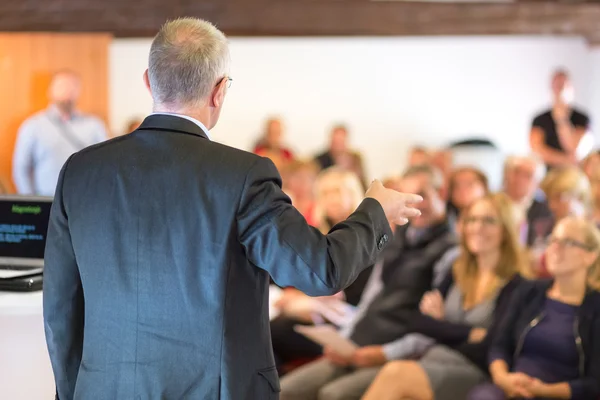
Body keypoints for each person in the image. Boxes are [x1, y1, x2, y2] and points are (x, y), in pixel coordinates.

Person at [42, 18, 422, 400]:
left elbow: (60, 307)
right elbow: (319, 269)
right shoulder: (243, 175)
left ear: (148, 81)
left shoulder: (80, 170)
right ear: (219, 91)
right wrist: (375, 210)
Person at [280, 165, 457, 400]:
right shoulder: (398, 238)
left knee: (333, 394)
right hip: (359, 342)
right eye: (407, 194)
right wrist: (344, 340)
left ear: (442, 192)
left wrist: (384, 353)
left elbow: (435, 324)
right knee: (286, 390)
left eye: (421, 194)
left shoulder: (452, 250)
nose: (413, 202)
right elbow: (371, 298)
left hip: (394, 352)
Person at [361, 193, 525, 400]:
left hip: (473, 370)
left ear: (506, 229)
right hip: (434, 359)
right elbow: (419, 322)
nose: (477, 227)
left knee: (396, 373)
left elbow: (492, 345)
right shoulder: (457, 271)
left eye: (489, 220)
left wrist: (442, 326)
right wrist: (469, 333)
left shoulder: (516, 284)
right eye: (471, 220)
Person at [468, 217, 600, 400]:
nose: (555, 248)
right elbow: (499, 344)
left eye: (568, 242)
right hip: (509, 386)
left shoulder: (595, 307)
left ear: (590, 255)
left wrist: (544, 390)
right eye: (553, 240)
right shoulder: (529, 290)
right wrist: (503, 378)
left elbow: (595, 383)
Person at [271, 168, 373, 374]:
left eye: (337, 191)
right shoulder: (320, 234)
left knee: (273, 332)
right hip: (321, 315)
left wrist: (314, 303)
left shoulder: (365, 237)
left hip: (348, 323)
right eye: (325, 193)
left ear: (352, 194)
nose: (331, 199)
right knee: (265, 330)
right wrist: (297, 295)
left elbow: (355, 295)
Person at [12, 70, 108, 196]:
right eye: (62, 86)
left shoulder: (95, 125)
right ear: (50, 90)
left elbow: (106, 165)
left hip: (85, 202)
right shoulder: (32, 126)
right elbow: (21, 168)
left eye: (73, 86)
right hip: (46, 202)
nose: (68, 91)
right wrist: (31, 203)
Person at [530, 69, 591, 170]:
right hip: (547, 174)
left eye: (563, 86)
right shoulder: (539, 119)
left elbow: (575, 149)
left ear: (571, 87)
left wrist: (561, 119)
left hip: (574, 174)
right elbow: (537, 151)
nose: (560, 90)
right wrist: (566, 160)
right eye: (557, 86)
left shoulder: (582, 118)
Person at [501, 155, 552, 246]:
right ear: (506, 175)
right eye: (516, 172)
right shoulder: (492, 205)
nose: (520, 179)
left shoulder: (545, 211)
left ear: (537, 183)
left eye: (527, 175)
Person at [314, 125, 367, 189]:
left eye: (341, 141)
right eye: (336, 142)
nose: (338, 146)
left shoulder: (355, 158)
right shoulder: (319, 160)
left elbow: (363, 181)